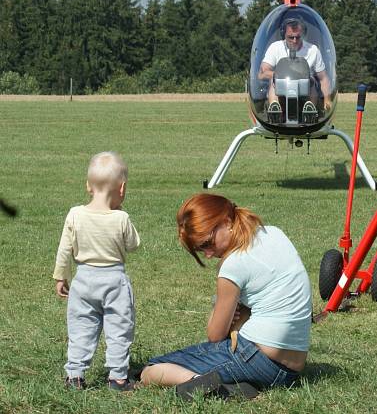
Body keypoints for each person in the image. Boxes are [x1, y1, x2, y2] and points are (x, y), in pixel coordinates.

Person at [141, 193, 312, 400]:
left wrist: (217, 303)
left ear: (227, 221)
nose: (208, 254)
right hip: (291, 369)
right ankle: (235, 384)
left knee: (152, 370)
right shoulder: (273, 233)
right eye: (200, 249)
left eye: (207, 243)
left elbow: (215, 335)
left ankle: (213, 386)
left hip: (256, 357)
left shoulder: (234, 264)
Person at [53, 151, 140, 391]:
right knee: (119, 328)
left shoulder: (75, 214)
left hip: (83, 280)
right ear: (121, 189)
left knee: (81, 327)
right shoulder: (121, 218)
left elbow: (64, 250)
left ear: (88, 186)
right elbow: (134, 245)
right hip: (114, 282)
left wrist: (61, 276)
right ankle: (118, 377)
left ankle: (75, 375)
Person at [258, 17, 332, 117]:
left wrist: (327, 100)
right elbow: (262, 73)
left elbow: (323, 78)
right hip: (281, 93)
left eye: (297, 37)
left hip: (305, 94)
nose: (294, 41)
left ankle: (310, 111)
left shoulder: (313, 50)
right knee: (274, 81)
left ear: (303, 35)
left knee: (311, 81)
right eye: (290, 37)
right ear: (283, 34)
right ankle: (275, 109)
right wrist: (279, 75)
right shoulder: (275, 48)